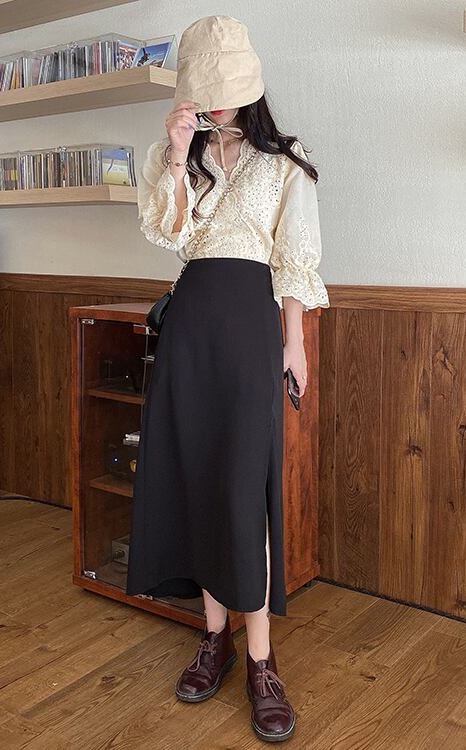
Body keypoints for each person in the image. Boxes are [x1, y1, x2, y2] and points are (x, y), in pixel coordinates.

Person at [125, 15, 329, 743]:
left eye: (224, 89)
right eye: (202, 91)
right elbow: (170, 234)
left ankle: (262, 662)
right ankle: (214, 639)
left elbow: (295, 258)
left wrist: (294, 343)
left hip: (249, 329)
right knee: (199, 481)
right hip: (190, 328)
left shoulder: (286, 160)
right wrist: (177, 154)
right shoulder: (176, 154)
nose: (214, 103)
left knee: (246, 486)